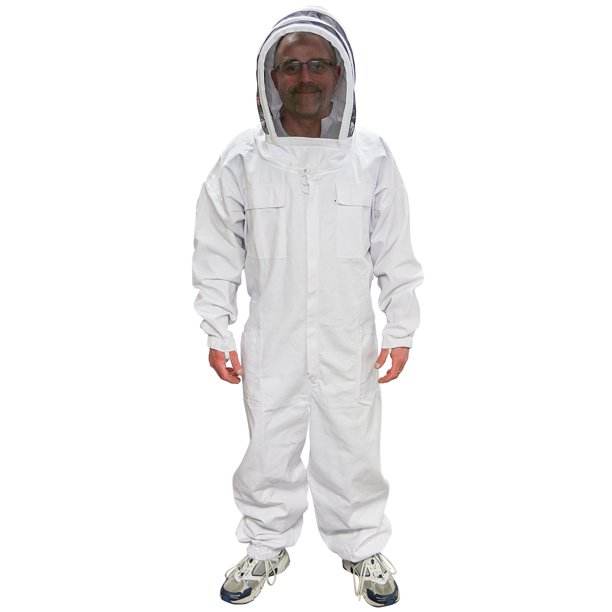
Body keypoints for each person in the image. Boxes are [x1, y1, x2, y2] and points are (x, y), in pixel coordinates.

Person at [192, 6, 423, 607]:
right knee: (268, 444)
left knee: (354, 445)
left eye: (317, 64)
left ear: (340, 73)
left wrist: (401, 328)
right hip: (273, 338)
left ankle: (362, 544)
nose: (304, 77)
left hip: (348, 340)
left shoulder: (370, 158)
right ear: (270, 78)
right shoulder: (244, 160)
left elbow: (394, 249)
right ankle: (265, 542)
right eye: (290, 66)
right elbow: (216, 249)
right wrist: (216, 329)